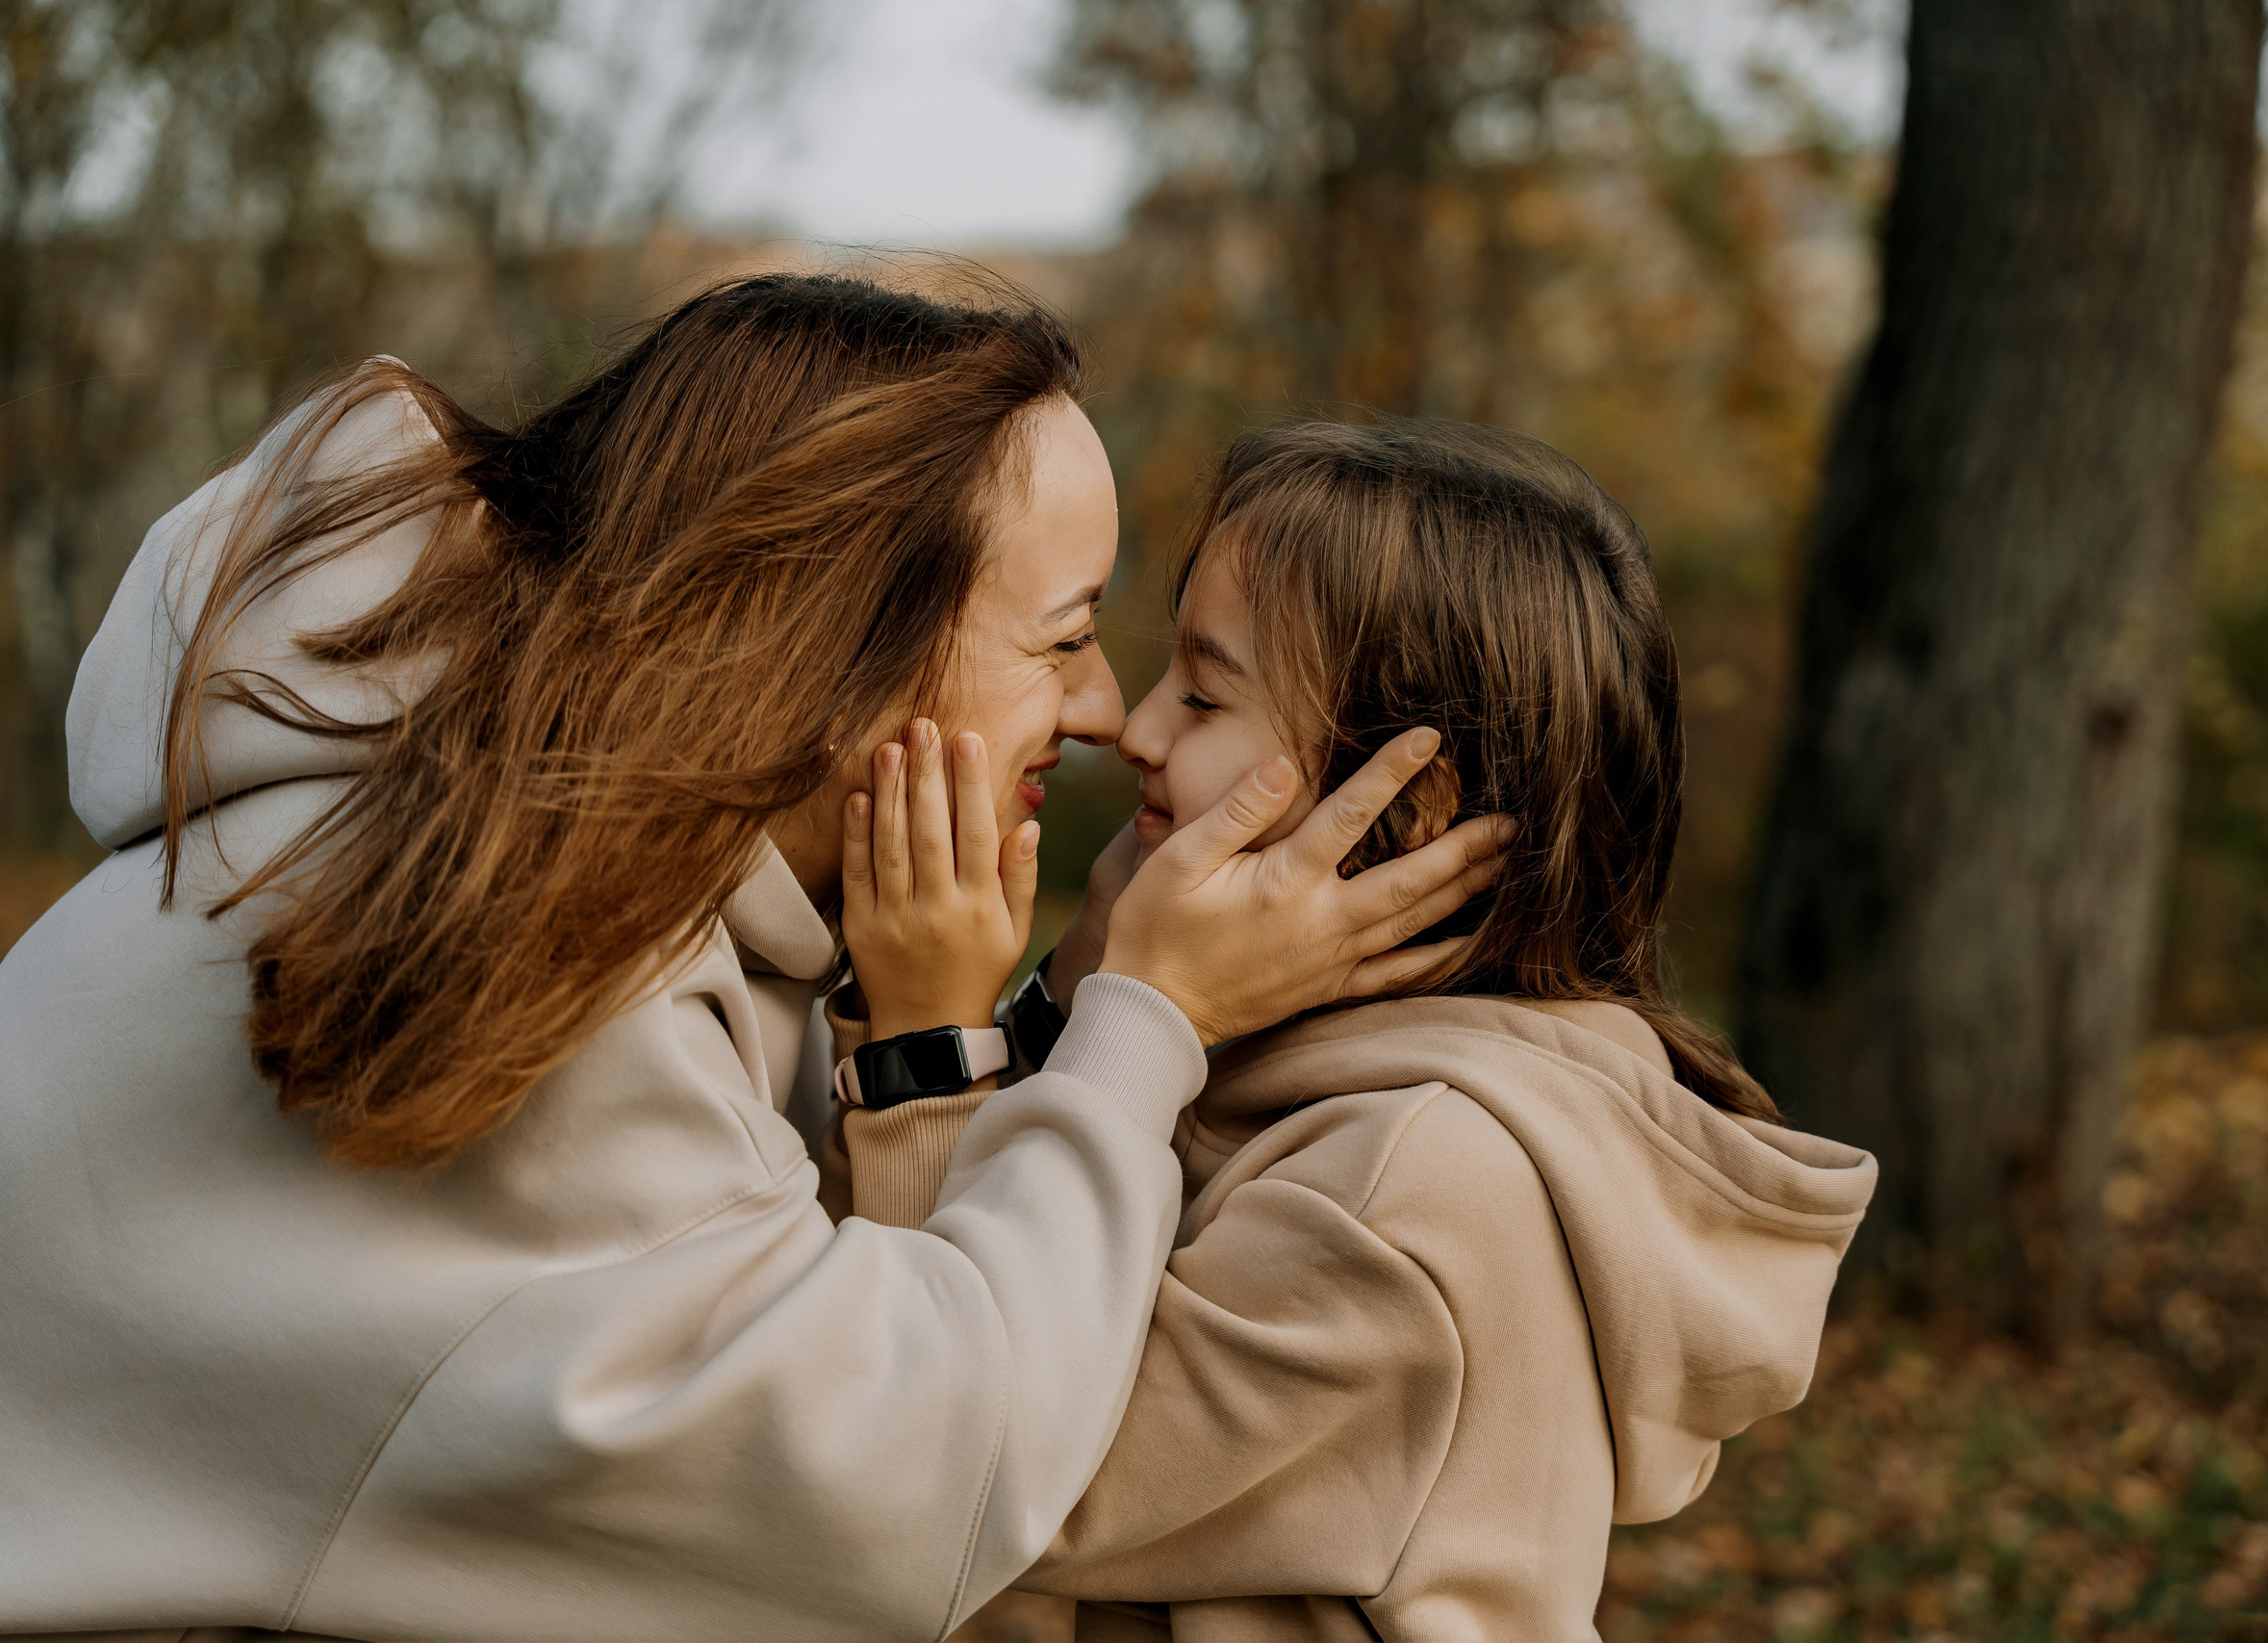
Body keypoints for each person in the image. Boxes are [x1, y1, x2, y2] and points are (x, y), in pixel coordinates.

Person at [0, 275, 1510, 1641]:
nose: (1109, 709)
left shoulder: (489, 829)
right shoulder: (528, 978)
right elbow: (911, 1492)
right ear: (830, 640)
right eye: (1058, 641)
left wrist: (1013, 1009)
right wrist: (1145, 1020)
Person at [842, 419, 1879, 1640]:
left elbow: (940, 1488)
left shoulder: (1413, 1186)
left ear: (1407, 810)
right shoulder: (1262, 1071)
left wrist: (928, 1055)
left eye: (1206, 691)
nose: (1139, 730)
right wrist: (1072, 1008)